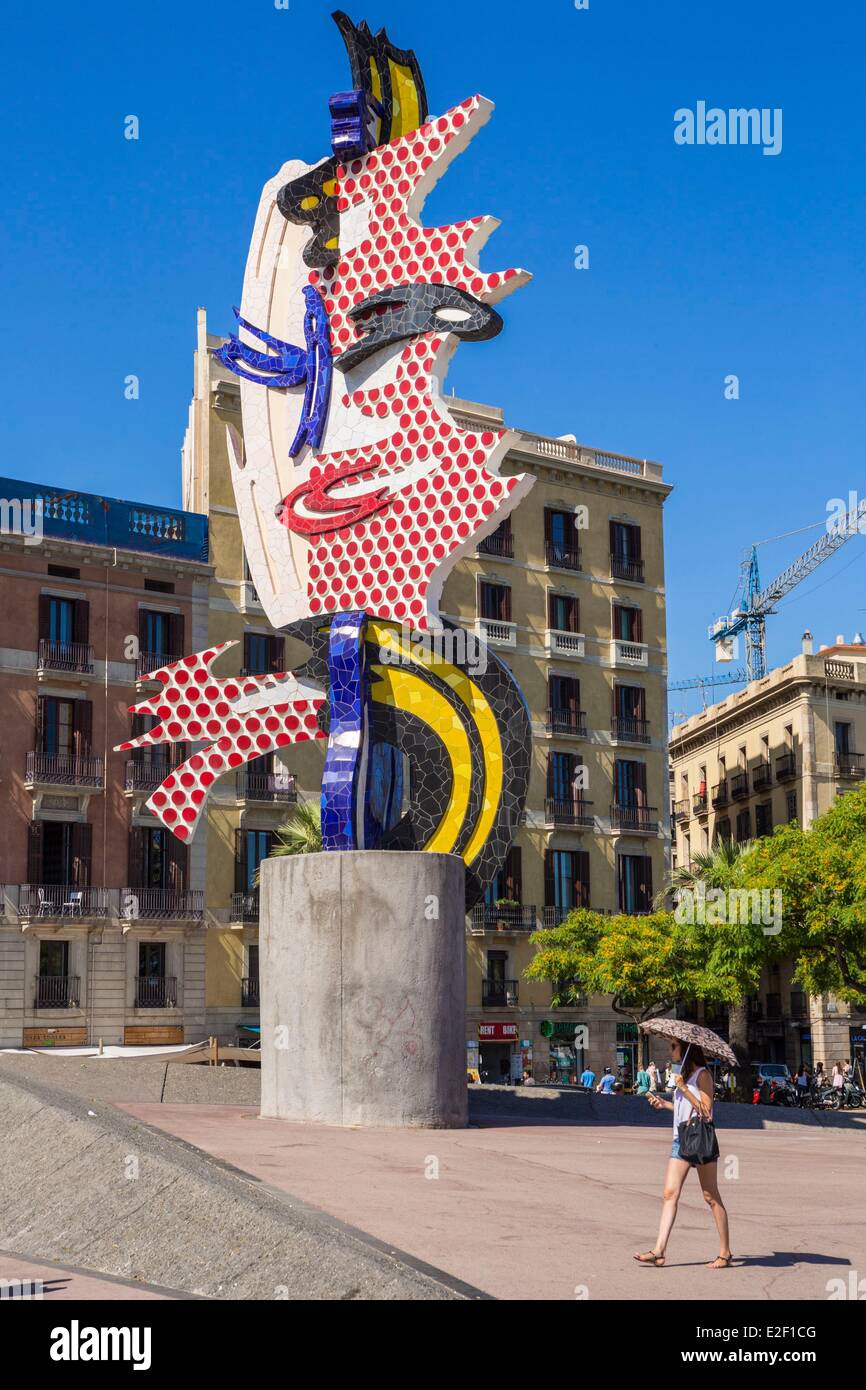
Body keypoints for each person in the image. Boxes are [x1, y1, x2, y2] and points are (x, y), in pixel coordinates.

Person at [634, 1039, 732, 1270]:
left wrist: (685, 1089)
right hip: (680, 1139)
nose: (670, 1051)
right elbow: (683, 1108)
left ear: (687, 1050)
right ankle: (659, 1251)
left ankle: (725, 1252)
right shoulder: (683, 1076)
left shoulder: (702, 1075)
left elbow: (706, 1110)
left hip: (700, 1139)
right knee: (669, 1194)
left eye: (673, 1047)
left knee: (710, 1196)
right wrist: (664, 1105)